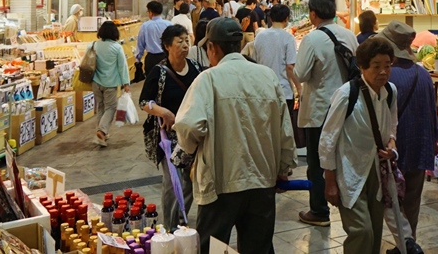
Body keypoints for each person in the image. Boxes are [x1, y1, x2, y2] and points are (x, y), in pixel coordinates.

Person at [174, 18, 297, 253]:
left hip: (221, 182)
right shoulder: (267, 76)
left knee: (213, 247)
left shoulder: (208, 79)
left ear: (213, 48)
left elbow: (188, 127)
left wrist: (190, 151)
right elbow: (285, 130)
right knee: (258, 247)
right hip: (262, 180)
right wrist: (283, 167)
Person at [320, 37, 398, 254]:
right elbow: (328, 138)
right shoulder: (347, 94)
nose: (383, 72)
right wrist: (330, 181)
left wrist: (392, 145)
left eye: (387, 66)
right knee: (361, 231)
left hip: (376, 170)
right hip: (349, 170)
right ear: (362, 67)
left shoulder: (390, 91)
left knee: (375, 232)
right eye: (376, 66)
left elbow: (392, 125)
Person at [295, 0, 359, 227]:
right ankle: (349, 205)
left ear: (313, 14)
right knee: (342, 159)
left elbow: (301, 74)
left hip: (319, 110)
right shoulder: (349, 35)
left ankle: (319, 211)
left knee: (318, 162)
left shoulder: (312, 39)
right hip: (347, 108)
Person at [379, 22, 436, 253]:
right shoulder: (423, 74)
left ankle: (404, 244)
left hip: (395, 147)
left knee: (390, 199)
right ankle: (408, 245)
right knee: (412, 199)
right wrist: (433, 143)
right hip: (420, 144)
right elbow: (432, 114)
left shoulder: (386, 78)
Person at [139, 25, 202, 230]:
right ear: (167, 46)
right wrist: (163, 112)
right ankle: (169, 225)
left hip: (191, 134)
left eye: (186, 40)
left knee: (191, 180)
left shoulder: (195, 68)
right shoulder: (159, 72)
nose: (185, 45)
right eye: (179, 41)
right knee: (172, 182)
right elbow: (144, 102)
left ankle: (182, 215)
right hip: (168, 138)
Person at [252, 3, 306, 153]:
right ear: (286, 19)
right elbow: (290, 67)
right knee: (283, 130)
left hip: (263, 89)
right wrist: (299, 87)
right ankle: (283, 165)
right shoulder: (287, 37)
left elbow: (254, 62)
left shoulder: (260, 36)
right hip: (283, 91)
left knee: (266, 129)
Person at [91, 21, 131, 148]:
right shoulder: (116, 47)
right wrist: (126, 83)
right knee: (111, 107)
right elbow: (122, 67)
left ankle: (103, 132)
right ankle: (101, 131)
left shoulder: (94, 45)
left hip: (96, 82)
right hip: (110, 83)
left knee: (101, 107)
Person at [135, 1, 173, 83]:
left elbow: (140, 44)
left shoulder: (145, 26)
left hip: (151, 59)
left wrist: (138, 59)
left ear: (151, 12)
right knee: (167, 81)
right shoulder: (169, 24)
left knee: (151, 83)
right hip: (167, 56)